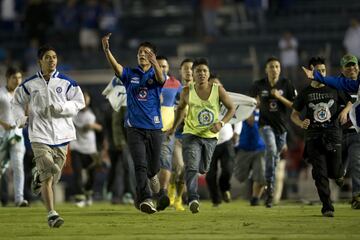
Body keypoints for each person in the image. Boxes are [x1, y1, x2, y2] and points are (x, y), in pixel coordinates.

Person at [11, 45, 85, 227]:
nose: (52, 60)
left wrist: (62, 108)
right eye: (48, 57)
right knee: (48, 174)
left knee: (53, 176)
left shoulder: (67, 82)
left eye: (54, 57)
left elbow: (79, 102)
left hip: (62, 135)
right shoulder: (29, 84)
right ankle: (52, 214)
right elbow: (16, 102)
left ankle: (38, 177)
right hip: (39, 135)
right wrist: (21, 118)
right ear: (40, 61)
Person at [101, 33, 166, 214]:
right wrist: (107, 50)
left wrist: (155, 64)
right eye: (140, 52)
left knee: (153, 168)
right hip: (134, 128)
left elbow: (162, 80)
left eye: (146, 52)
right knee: (139, 165)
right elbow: (116, 67)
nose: (142, 54)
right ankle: (146, 198)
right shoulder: (130, 74)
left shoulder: (157, 74)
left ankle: (149, 185)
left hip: (154, 127)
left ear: (152, 55)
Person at [168, 58, 235, 213]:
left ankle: (194, 186)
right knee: (191, 167)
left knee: (203, 169)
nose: (202, 73)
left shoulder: (217, 90)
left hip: (211, 137)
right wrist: (173, 128)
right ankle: (193, 198)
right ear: (193, 74)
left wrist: (222, 123)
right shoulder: (186, 91)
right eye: (198, 71)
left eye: (204, 71)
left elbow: (231, 108)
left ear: (208, 73)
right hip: (191, 135)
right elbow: (180, 110)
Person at [291, 57, 351, 217]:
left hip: (333, 135)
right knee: (320, 174)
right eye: (319, 71)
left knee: (335, 172)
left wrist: (345, 111)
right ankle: (327, 207)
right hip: (313, 136)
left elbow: (350, 101)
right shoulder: (305, 92)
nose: (322, 73)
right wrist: (300, 123)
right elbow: (294, 115)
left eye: (324, 71)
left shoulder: (335, 87)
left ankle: (339, 174)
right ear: (311, 72)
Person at [302, 54, 360, 209]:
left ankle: (357, 196)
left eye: (354, 65)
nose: (352, 68)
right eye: (348, 66)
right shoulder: (337, 85)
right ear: (342, 69)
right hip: (338, 134)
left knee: (357, 163)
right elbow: (331, 83)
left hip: (356, 134)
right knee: (335, 171)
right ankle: (338, 176)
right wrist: (316, 76)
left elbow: (350, 102)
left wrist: (346, 110)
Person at [251, 56, 297, 208]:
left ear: (280, 69)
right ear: (266, 69)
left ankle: (269, 187)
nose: (274, 69)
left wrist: (279, 97)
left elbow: (294, 105)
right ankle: (270, 187)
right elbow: (249, 102)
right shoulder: (258, 85)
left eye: (277, 66)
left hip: (282, 128)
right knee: (270, 148)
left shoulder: (287, 84)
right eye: (271, 66)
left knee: (275, 157)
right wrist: (254, 105)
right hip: (265, 125)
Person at [167, 58, 194, 211]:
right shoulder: (175, 88)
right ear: (181, 71)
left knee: (186, 170)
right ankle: (171, 194)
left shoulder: (201, 90)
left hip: (192, 136)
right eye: (186, 68)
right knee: (179, 167)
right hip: (177, 134)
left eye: (191, 68)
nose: (189, 71)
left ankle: (178, 199)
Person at [156, 55, 182, 211]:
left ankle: (163, 192)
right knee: (150, 166)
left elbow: (183, 102)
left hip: (167, 131)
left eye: (164, 66)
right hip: (148, 131)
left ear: (168, 68)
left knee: (165, 161)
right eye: (159, 66)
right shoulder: (147, 83)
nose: (162, 68)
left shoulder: (175, 84)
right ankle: (149, 193)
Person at [205, 76, 235, 207]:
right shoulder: (202, 100)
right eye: (212, 86)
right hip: (209, 143)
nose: (215, 88)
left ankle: (225, 189)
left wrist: (237, 132)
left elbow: (237, 116)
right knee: (210, 175)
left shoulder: (228, 99)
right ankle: (216, 200)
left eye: (218, 85)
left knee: (228, 170)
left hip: (226, 140)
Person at [0, 66, 28, 207]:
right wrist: (2, 123)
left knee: (18, 167)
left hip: (17, 135)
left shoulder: (22, 95)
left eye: (19, 77)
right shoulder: (1, 93)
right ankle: (4, 198)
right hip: (1, 134)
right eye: (14, 78)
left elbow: (25, 114)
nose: (17, 81)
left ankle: (19, 199)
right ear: (7, 78)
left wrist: (24, 120)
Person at [70, 91, 102, 207]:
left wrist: (93, 126)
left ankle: (88, 193)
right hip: (76, 147)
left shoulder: (95, 112)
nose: (84, 100)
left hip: (91, 149)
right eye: (82, 98)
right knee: (77, 173)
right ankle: (79, 197)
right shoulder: (72, 113)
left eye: (86, 98)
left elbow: (101, 128)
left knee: (92, 175)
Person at [233, 109, 266, 206]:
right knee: (239, 176)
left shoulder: (263, 112)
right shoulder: (240, 112)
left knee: (261, 177)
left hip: (259, 148)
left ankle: (255, 198)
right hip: (244, 148)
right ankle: (252, 173)